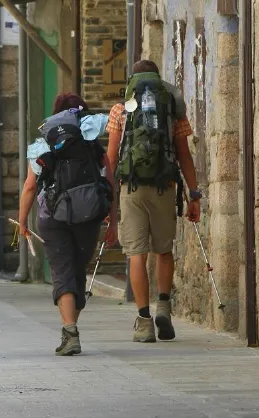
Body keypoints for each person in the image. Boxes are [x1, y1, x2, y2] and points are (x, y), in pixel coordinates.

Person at [105, 60, 201, 343]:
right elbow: (184, 154)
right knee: (163, 250)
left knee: (137, 253)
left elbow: (111, 158)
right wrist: (194, 195)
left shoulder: (120, 109)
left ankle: (144, 321)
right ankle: (164, 307)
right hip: (165, 187)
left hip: (132, 188)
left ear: (132, 80)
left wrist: (106, 198)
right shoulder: (171, 106)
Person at [18, 93, 117, 356]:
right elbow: (109, 184)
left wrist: (22, 221)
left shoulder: (43, 144)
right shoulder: (92, 146)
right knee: (77, 270)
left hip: (52, 218)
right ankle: (70, 328)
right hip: (88, 215)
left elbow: (29, 187)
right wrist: (113, 221)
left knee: (62, 272)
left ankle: (70, 331)